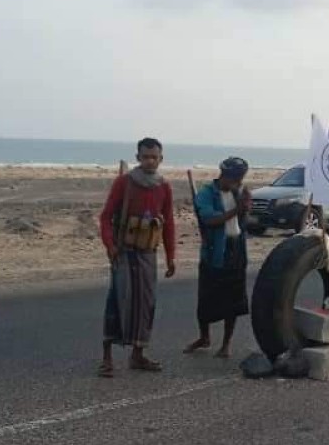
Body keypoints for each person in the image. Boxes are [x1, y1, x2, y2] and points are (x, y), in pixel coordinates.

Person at [98, 138, 176, 376]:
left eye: (154, 157)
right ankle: (107, 358)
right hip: (124, 252)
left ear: (161, 159)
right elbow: (106, 217)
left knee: (145, 305)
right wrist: (110, 246)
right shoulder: (125, 183)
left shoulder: (164, 187)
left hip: (147, 254)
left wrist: (171, 256)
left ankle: (138, 355)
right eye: (145, 156)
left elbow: (169, 222)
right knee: (118, 301)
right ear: (138, 157)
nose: (150, 161)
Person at [184, 156, 251, 359]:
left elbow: (242, 221)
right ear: (225, 176)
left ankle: (226, 344)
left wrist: (244, 209)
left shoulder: (238, 192)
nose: (238, 183)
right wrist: (236, 210)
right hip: (214, 252)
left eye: (241, 179)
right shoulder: (206, 194)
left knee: (233, 300)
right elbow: (210, 219)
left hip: (236, 249)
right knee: (206, 299)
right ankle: (204, 337)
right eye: (236, 179)